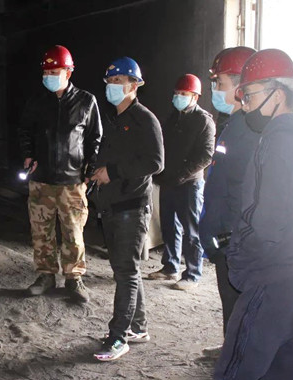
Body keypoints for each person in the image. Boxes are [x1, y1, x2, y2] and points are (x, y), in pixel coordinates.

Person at [213, 49, 293, 380]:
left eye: (250, 96)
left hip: (273, 284)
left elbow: (262, 223)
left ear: (278, 94)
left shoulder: (274, 144)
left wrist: (238, 264)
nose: (245, 105)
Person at [91, 57, 164, 361]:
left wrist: (113, 172)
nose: (112, 86)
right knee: (126, 269)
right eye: (109, 82)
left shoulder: (144, 119)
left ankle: (118, 336)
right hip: (113, 204)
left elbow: (156, 162)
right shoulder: (114, 119)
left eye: (118, 81)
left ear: (134, 85)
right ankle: (138, 326)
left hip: (131, 206)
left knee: (126, 273)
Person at [17, 45, 102, 303]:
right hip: (41, 180)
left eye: (55, 72)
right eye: (46, 72)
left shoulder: (86, 101)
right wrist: (28, 154)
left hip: (72, 182)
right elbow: (25, 131)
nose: (49, 76)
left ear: (68, 72)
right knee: (41, 233)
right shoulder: (36, 101)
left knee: (73, 234)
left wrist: (89, 170)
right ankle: (45, 275)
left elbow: (95, 139)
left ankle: (74, 278)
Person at [199, 46, 258, 337]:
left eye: (219, 83)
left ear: (240, 86)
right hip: (224, 237)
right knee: (231, 305)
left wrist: (230, 236)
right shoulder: (233, 124)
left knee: (240, 305)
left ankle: (236, 355)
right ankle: (230, 348)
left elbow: (243, 192)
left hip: (234, 239)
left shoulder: (249, 130)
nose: (215, 90)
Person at [149, 74, 215, 291]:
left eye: (183, 94)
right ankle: (170, 266)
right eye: (176, 93)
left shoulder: (203, 121)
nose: (178, 97)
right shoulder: (173, 118)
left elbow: (206, 155)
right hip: (169, 182)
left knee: (191, 231)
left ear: (195, 96)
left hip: (189, 184)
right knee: (169, 226)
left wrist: (181, 175)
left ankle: (192, 274)